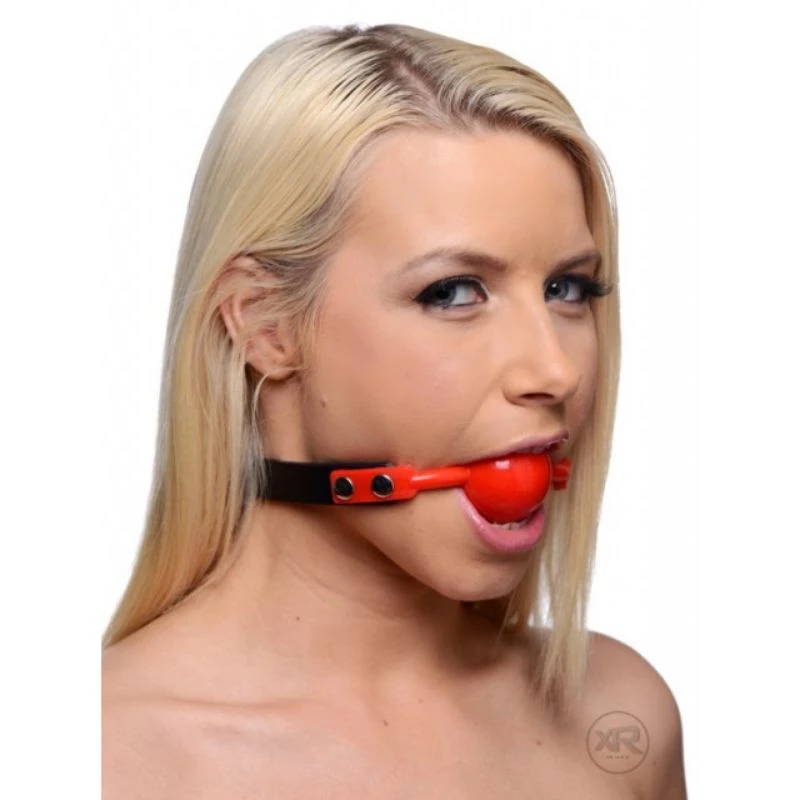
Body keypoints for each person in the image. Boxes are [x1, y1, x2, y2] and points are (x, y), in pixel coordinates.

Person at [102, 23, 687, 798]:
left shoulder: (619, 720)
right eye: (453, 292)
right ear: (265, 325)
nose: (556, 370)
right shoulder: (105, 754)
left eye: (568, 289)